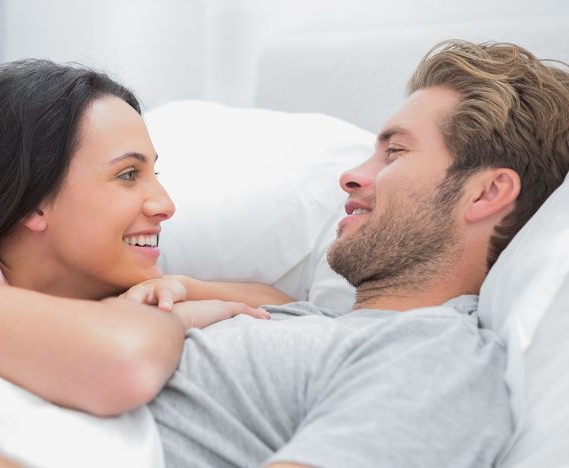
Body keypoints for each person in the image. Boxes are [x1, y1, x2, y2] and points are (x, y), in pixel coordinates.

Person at [145, 40, 569, 467]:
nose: (351, 176)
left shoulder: (434, 360)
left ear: (486, 193)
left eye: (396, 151)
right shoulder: (316, 321)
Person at [0, 59, 291, 418]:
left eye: (155, 172)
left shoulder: (100, 277)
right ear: (32, 203)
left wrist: (182, 287)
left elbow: (284, 307)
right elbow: (121, 366)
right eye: (129, 174)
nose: (166, 204)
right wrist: (180, 318)